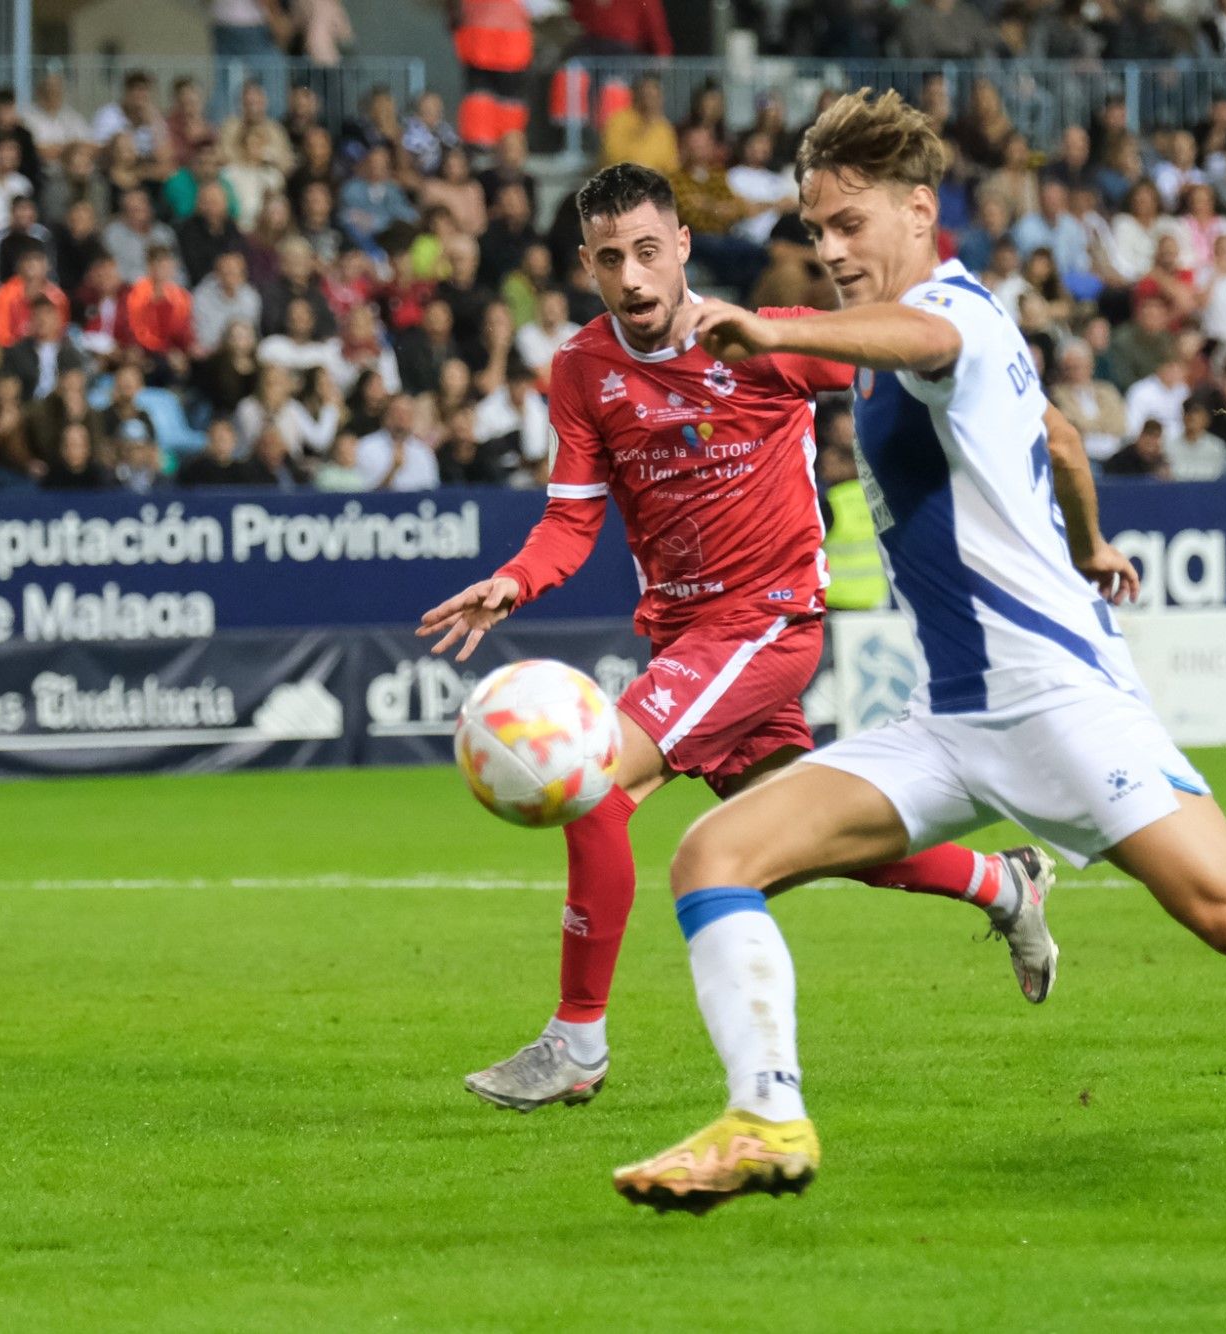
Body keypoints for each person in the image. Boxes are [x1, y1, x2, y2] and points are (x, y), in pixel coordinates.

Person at [615, 89, 1226, 1249]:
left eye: (851, 222)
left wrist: (780, 326)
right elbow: (1056, 435)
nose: (833, 248)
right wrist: (1091, 537)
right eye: (817, 228)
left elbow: (933, 343)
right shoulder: (898, 335)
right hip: (950, 718)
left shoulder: (949, 314)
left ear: (918, 210)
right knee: (716, 852)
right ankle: (767, 1117)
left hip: (1058, 703)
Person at [416, 163, 1060, 1115]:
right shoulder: (584, 370)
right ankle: (1003, 883)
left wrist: (1022, 440)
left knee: (592, 787)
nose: (631, 278)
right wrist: (516, 579)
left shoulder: (764, 340)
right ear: (586, 267)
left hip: (765, 625)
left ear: (681, 247)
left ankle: (576, 1043)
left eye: (646, 252)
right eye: (608, 260)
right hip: (683, 636)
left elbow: (918, 357)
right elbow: (569, 521)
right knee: (810, 839)